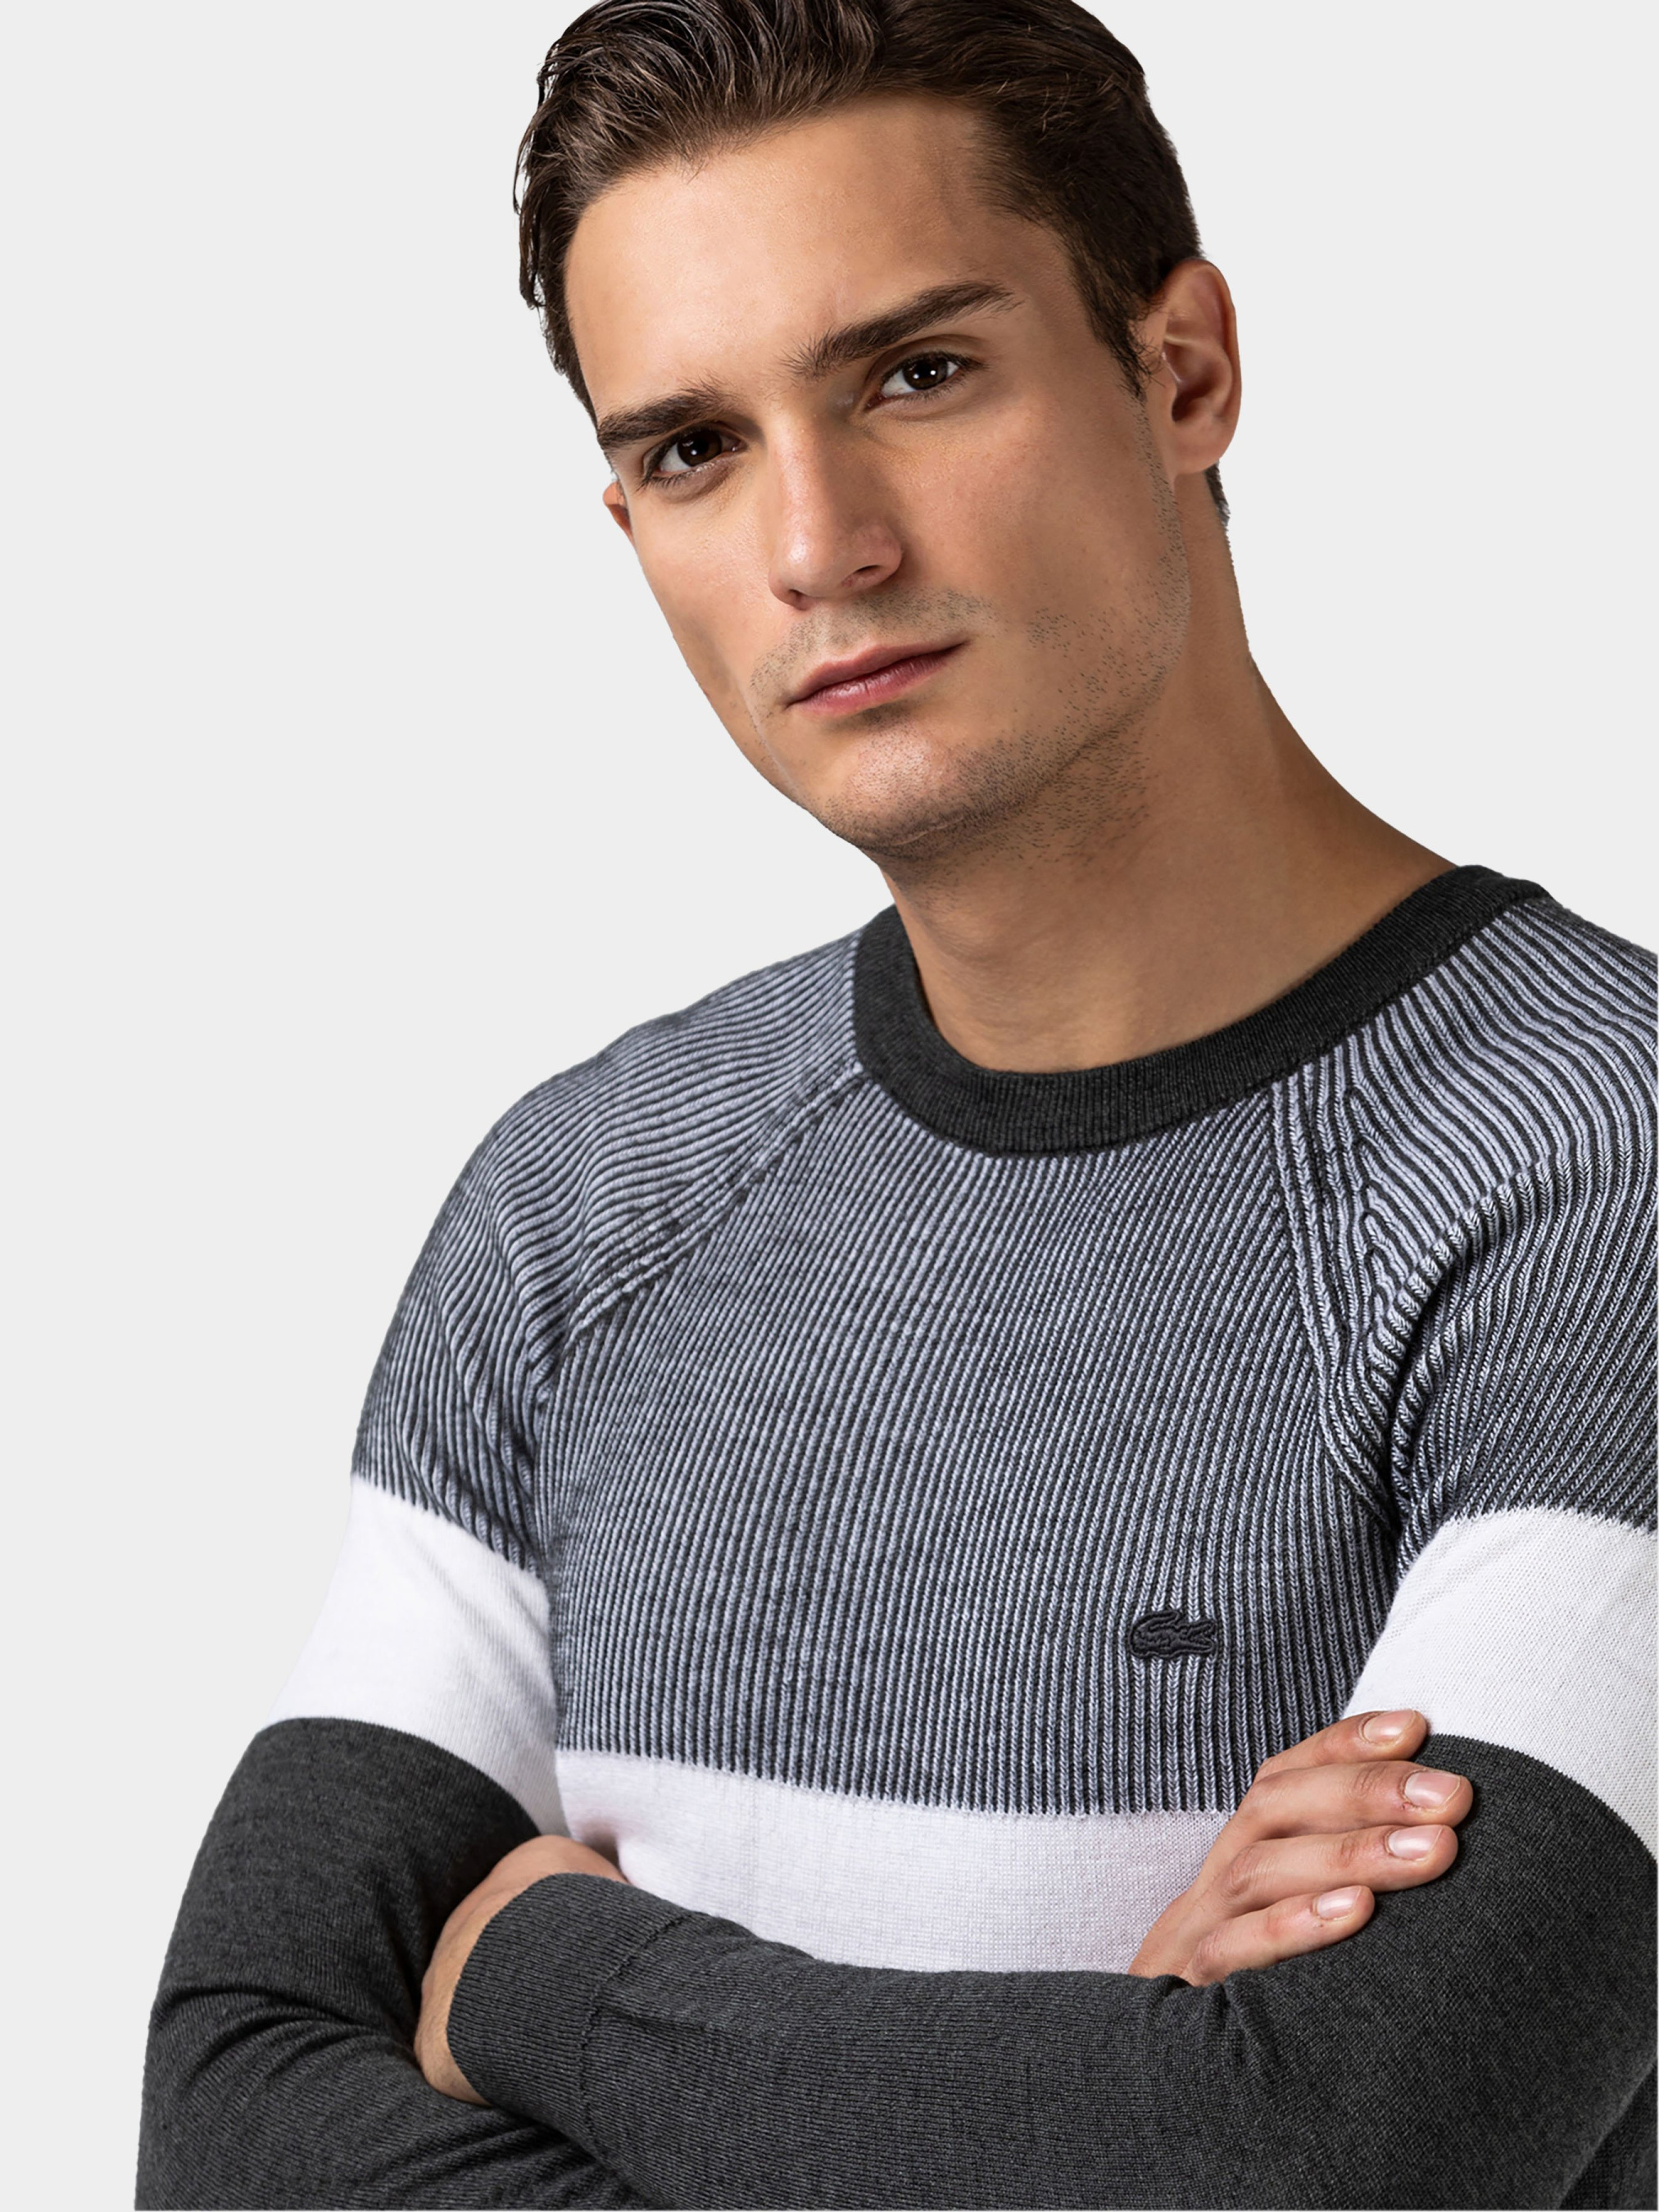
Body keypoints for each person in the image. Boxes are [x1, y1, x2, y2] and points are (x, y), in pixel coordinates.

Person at [137, 2, 1655, 2205]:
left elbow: (1320, 2160)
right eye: (694, 447)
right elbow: (225, 2125)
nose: (817, 543)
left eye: (917, 375)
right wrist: (1102, 2093)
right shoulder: (585, 1205)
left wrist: (543, 1972)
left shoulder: (1592, 1160)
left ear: (1182, 369)